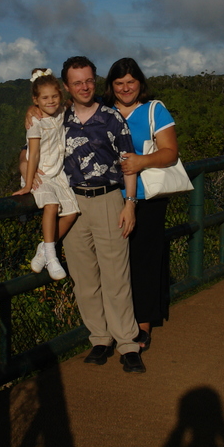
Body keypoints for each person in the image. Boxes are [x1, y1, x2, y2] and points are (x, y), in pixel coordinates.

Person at [59, 56, 146, 372]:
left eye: (88, 80)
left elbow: (128, 162)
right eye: (77, 82)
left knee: (116, 275)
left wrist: (129, 203)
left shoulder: (111, 118)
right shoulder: (58, 118)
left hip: (109, 199)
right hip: (72, 206)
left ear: (95, 81)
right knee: (84, 278)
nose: (84, 87)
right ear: (67, 86)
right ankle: (99, 338)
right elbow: (35, 141)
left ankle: (127, 343)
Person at [105, 58, 177, 353]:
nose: (125, 88)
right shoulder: (102, 111)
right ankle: (118, 322)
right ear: (111, 86)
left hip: (147, 197)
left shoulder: (153, 110)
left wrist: (140, 162)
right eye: (119, 83)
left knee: (144, 259)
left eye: (130, 82)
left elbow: (170, 153)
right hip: (110, 196)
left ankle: (143, 323)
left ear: (140, 83)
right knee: (114, 263)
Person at [14, 68, 79, 281]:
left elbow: (71, 101)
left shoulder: (61, 111)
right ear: (36, 100)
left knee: (71, 212)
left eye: (54, 96)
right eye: (44, 98)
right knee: (51, 206)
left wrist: (63, 103)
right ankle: (52, 256)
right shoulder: (36, 121)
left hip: (58, 173)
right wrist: (28, 183)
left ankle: (44, 247)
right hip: (40, 174)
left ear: (60, 96)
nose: (50, 101)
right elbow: (33, 155)